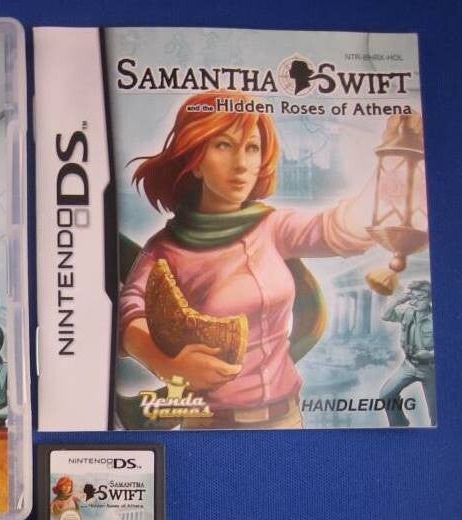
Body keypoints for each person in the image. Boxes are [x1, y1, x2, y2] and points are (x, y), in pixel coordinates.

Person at [118, 90, 374, 429]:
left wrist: (392, 171)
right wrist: (168, 365)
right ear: (195, 160)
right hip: (210, 427)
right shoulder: (165, 249)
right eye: (223, 145)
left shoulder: (272, 226)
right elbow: (130, 313)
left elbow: (336, 230)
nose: (241, 164)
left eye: (252, 148)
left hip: (287, 420)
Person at [379, 280, 436, 427]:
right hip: (409, 364)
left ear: (430, 298)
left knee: (436, 413)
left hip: (431, 368)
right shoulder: (408, 312)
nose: (415, 301)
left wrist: (431, 355)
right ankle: (399, 425)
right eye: (413, 297)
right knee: (386, 395)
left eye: (420, 298)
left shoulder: (436, 318)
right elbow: (385, 315)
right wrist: (399, 300)